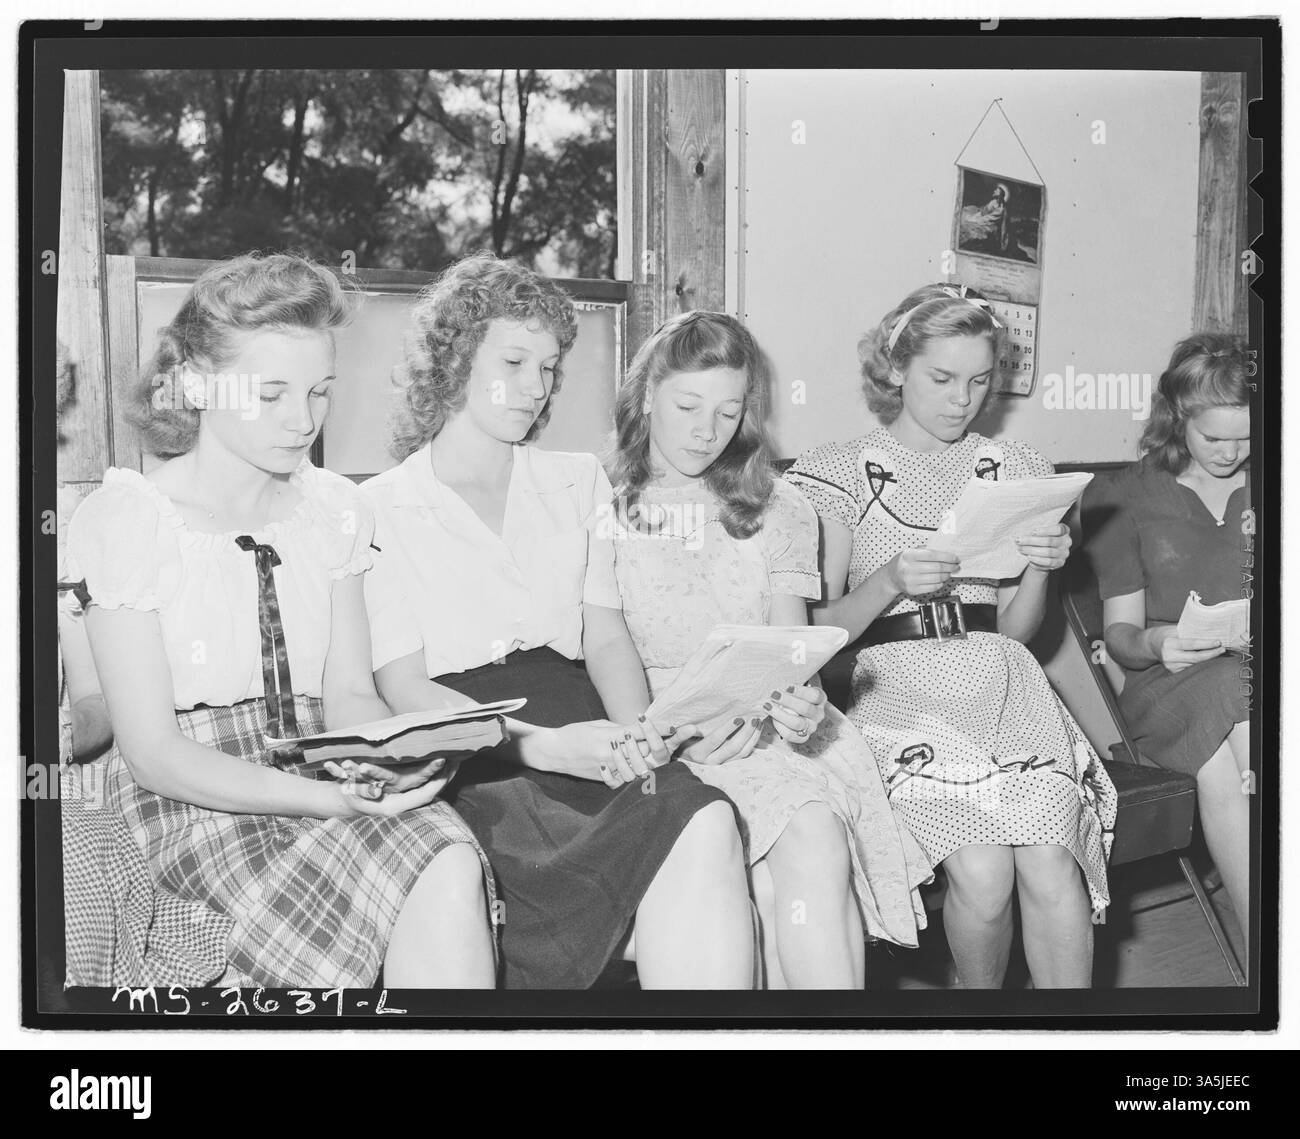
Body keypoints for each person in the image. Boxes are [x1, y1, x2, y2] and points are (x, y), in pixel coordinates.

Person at [66, 253, 497, 989]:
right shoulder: (130, 520)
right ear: (197, 381)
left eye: (320, 392)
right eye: (270, 394)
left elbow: (351, 696)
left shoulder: (334, 511)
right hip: (190, 800)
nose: (302, 420)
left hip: (316, 763)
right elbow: (153, 753)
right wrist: (326, 798)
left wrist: (388, 756)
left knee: (447, 852)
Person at [362, 253, 754, 990]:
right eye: (515, 359)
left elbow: (605, 636)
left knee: (702, 817)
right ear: (454, 358)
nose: (536, 386)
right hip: (472, 751)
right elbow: (404, 687)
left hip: (585, 719)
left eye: (549, 366)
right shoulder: (379, 508)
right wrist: (541, 748)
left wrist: (642, 735)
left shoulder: (576, 481)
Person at [786, 282, 1116, 990]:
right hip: (893, 699)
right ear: (896, 365)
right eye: (940, 378)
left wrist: (1040, 569)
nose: (960, 399)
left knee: (1053, 857)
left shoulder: (1016, 468)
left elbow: (1019, 631)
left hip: (1004, 690)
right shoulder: (837, 471)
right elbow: (810, 632)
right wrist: (890, 582)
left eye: (977, 381)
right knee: (984, 868)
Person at [605, 310, 930, 989]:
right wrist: (662, 735)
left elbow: (792, 653)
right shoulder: (604, 504)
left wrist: (800, 703)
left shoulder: (781, 508)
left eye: (728, 411)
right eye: (688, 405)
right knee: (792, 864)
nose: (706, 430)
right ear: (645, 396)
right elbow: (603, 642)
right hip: (660, 732)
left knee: (810, 837)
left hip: (770, 732)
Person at [1083, 332, 1251, 956]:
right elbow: (1120, 637)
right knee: (1239, 717)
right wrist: (1156, 640)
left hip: (1258, 675)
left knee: (1223, 764)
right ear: (1179, 418)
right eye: (1215, 439)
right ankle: (1272, 938)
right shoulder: (1126, 495)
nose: (1234, 453)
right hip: (1165, 682)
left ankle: (1260, 937)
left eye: (1248, 437)